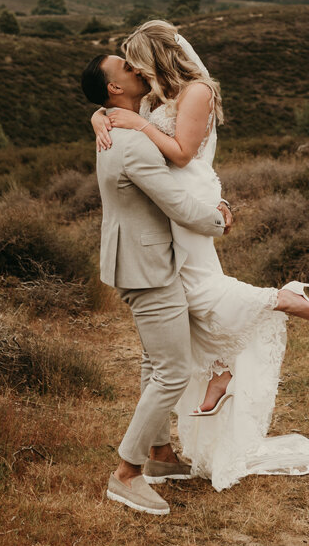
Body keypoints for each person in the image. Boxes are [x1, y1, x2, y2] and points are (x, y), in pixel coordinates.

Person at [86, 21, 309, 492]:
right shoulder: (153, 99)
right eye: (127, 65)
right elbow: (114, 108)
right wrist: (99, 116)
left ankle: (273, 308)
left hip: (186, 202)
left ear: (156, 59)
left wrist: (216, 215)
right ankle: (172, 431)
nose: (134, 67)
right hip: (163, 227)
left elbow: (179, 154)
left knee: (199, 296)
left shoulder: (186, 95)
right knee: (172, 338)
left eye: (136, 58)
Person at [81, 51, 234, 516]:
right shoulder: (132, 142)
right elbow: (178, 206)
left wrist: (98, 115)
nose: (136, 68)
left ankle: (160, 456)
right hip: (148, 269)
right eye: (126, 67)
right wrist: (219, 219)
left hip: (132, 260)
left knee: (155, 362)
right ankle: (126, 474)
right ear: (114, 88)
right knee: (172, 369)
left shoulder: (116, 121)